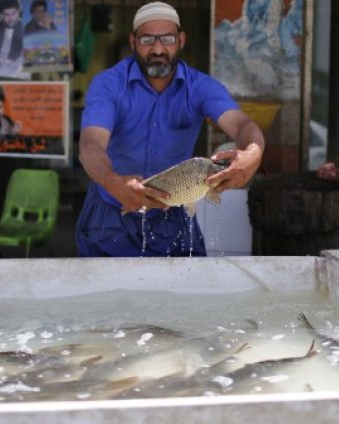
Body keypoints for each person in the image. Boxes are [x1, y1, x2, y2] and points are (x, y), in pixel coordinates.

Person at [76, 1, 265, 257]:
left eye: (167, 39)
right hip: (111, 213)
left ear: (181, 40)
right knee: (105, 295)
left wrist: (253, 152)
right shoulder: (108, 85)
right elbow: (90, 145)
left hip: (174, 212)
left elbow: (242, 125)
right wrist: (112, 182)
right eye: (146, 40)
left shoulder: (200, 87)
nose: (157, 49)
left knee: (186, 294)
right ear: (133, 42)